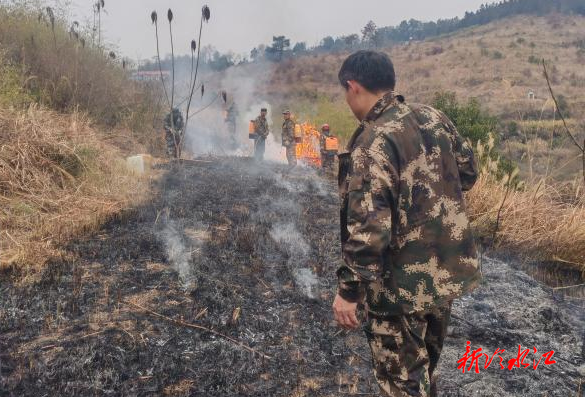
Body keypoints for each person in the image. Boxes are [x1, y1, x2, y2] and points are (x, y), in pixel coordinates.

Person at [332, 50, 481, 397]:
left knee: (402, 384)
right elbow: (469, 173)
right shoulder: (433, 117)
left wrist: (348, 291)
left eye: (344, 91)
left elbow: (370, 229)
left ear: (353, 86)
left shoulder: (373, 141)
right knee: (424, 372)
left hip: (398, 292)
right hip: (443, 278)